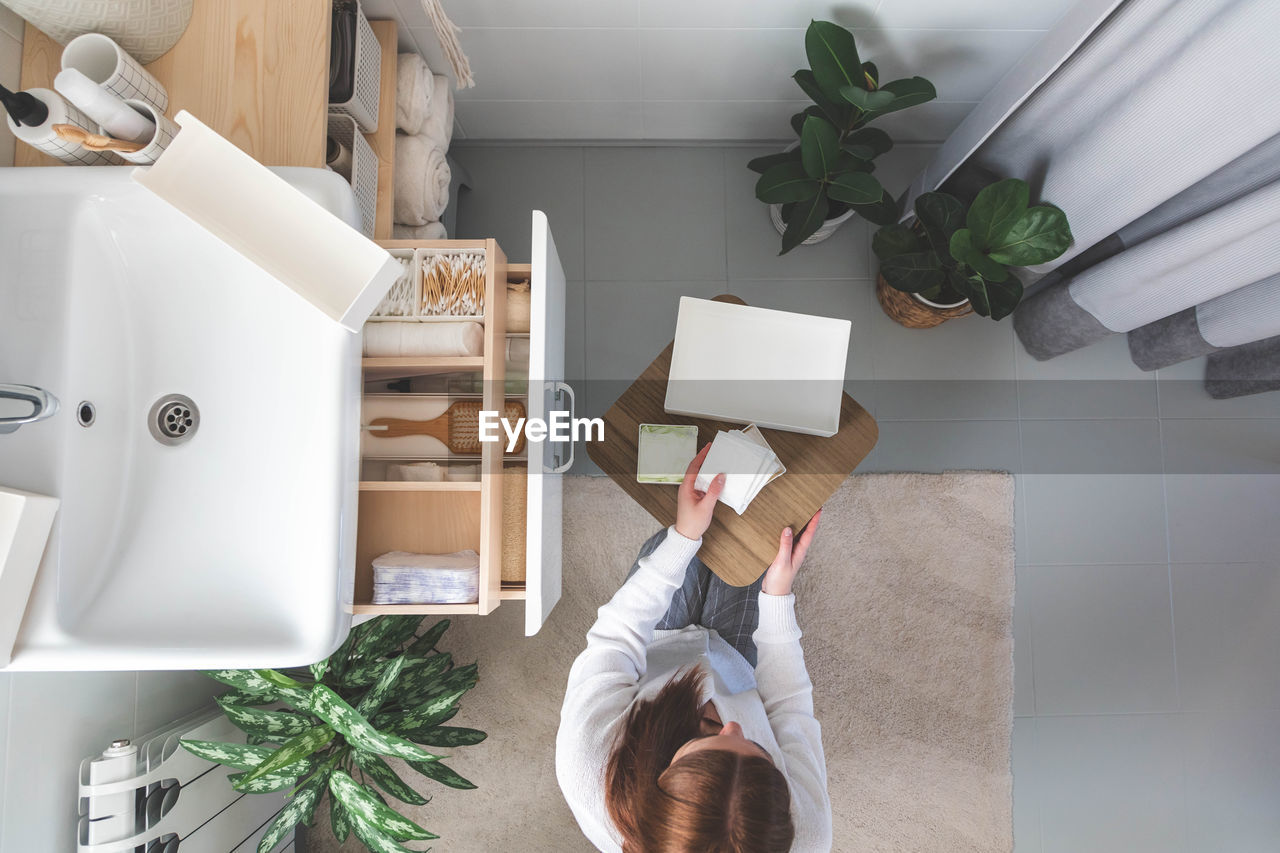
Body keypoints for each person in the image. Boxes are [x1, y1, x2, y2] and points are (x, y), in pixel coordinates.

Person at [556, 443, 832, 852]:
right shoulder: (804, 835)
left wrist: (684, 538)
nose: (737, 724)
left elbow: (615, 637)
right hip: (735, 667)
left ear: (662, 778)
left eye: (712, 734)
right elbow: (789, 708)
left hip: (653, 647)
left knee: (687, 531)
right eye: (760, 749)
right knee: (761, 529)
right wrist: (777, 599)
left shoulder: (590, 768)